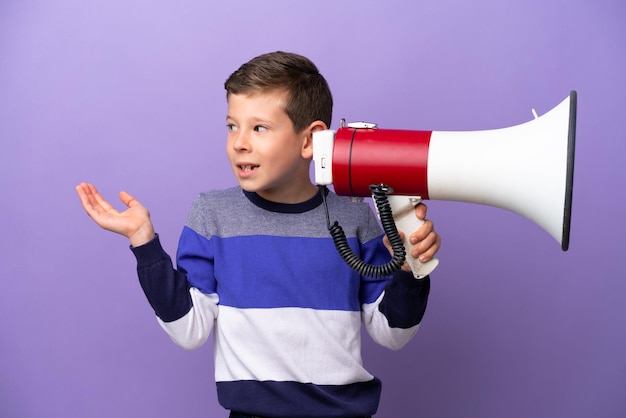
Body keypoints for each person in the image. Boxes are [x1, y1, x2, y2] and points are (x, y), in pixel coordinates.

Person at [76, 51, 441, 418]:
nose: (239, 142)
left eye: (259, 128)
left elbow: (392, 333)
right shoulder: (212, 215)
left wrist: (410, 269)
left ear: (310, 140)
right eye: (232, 126)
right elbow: (189, 331)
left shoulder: (354, 217)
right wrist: (144, 243)